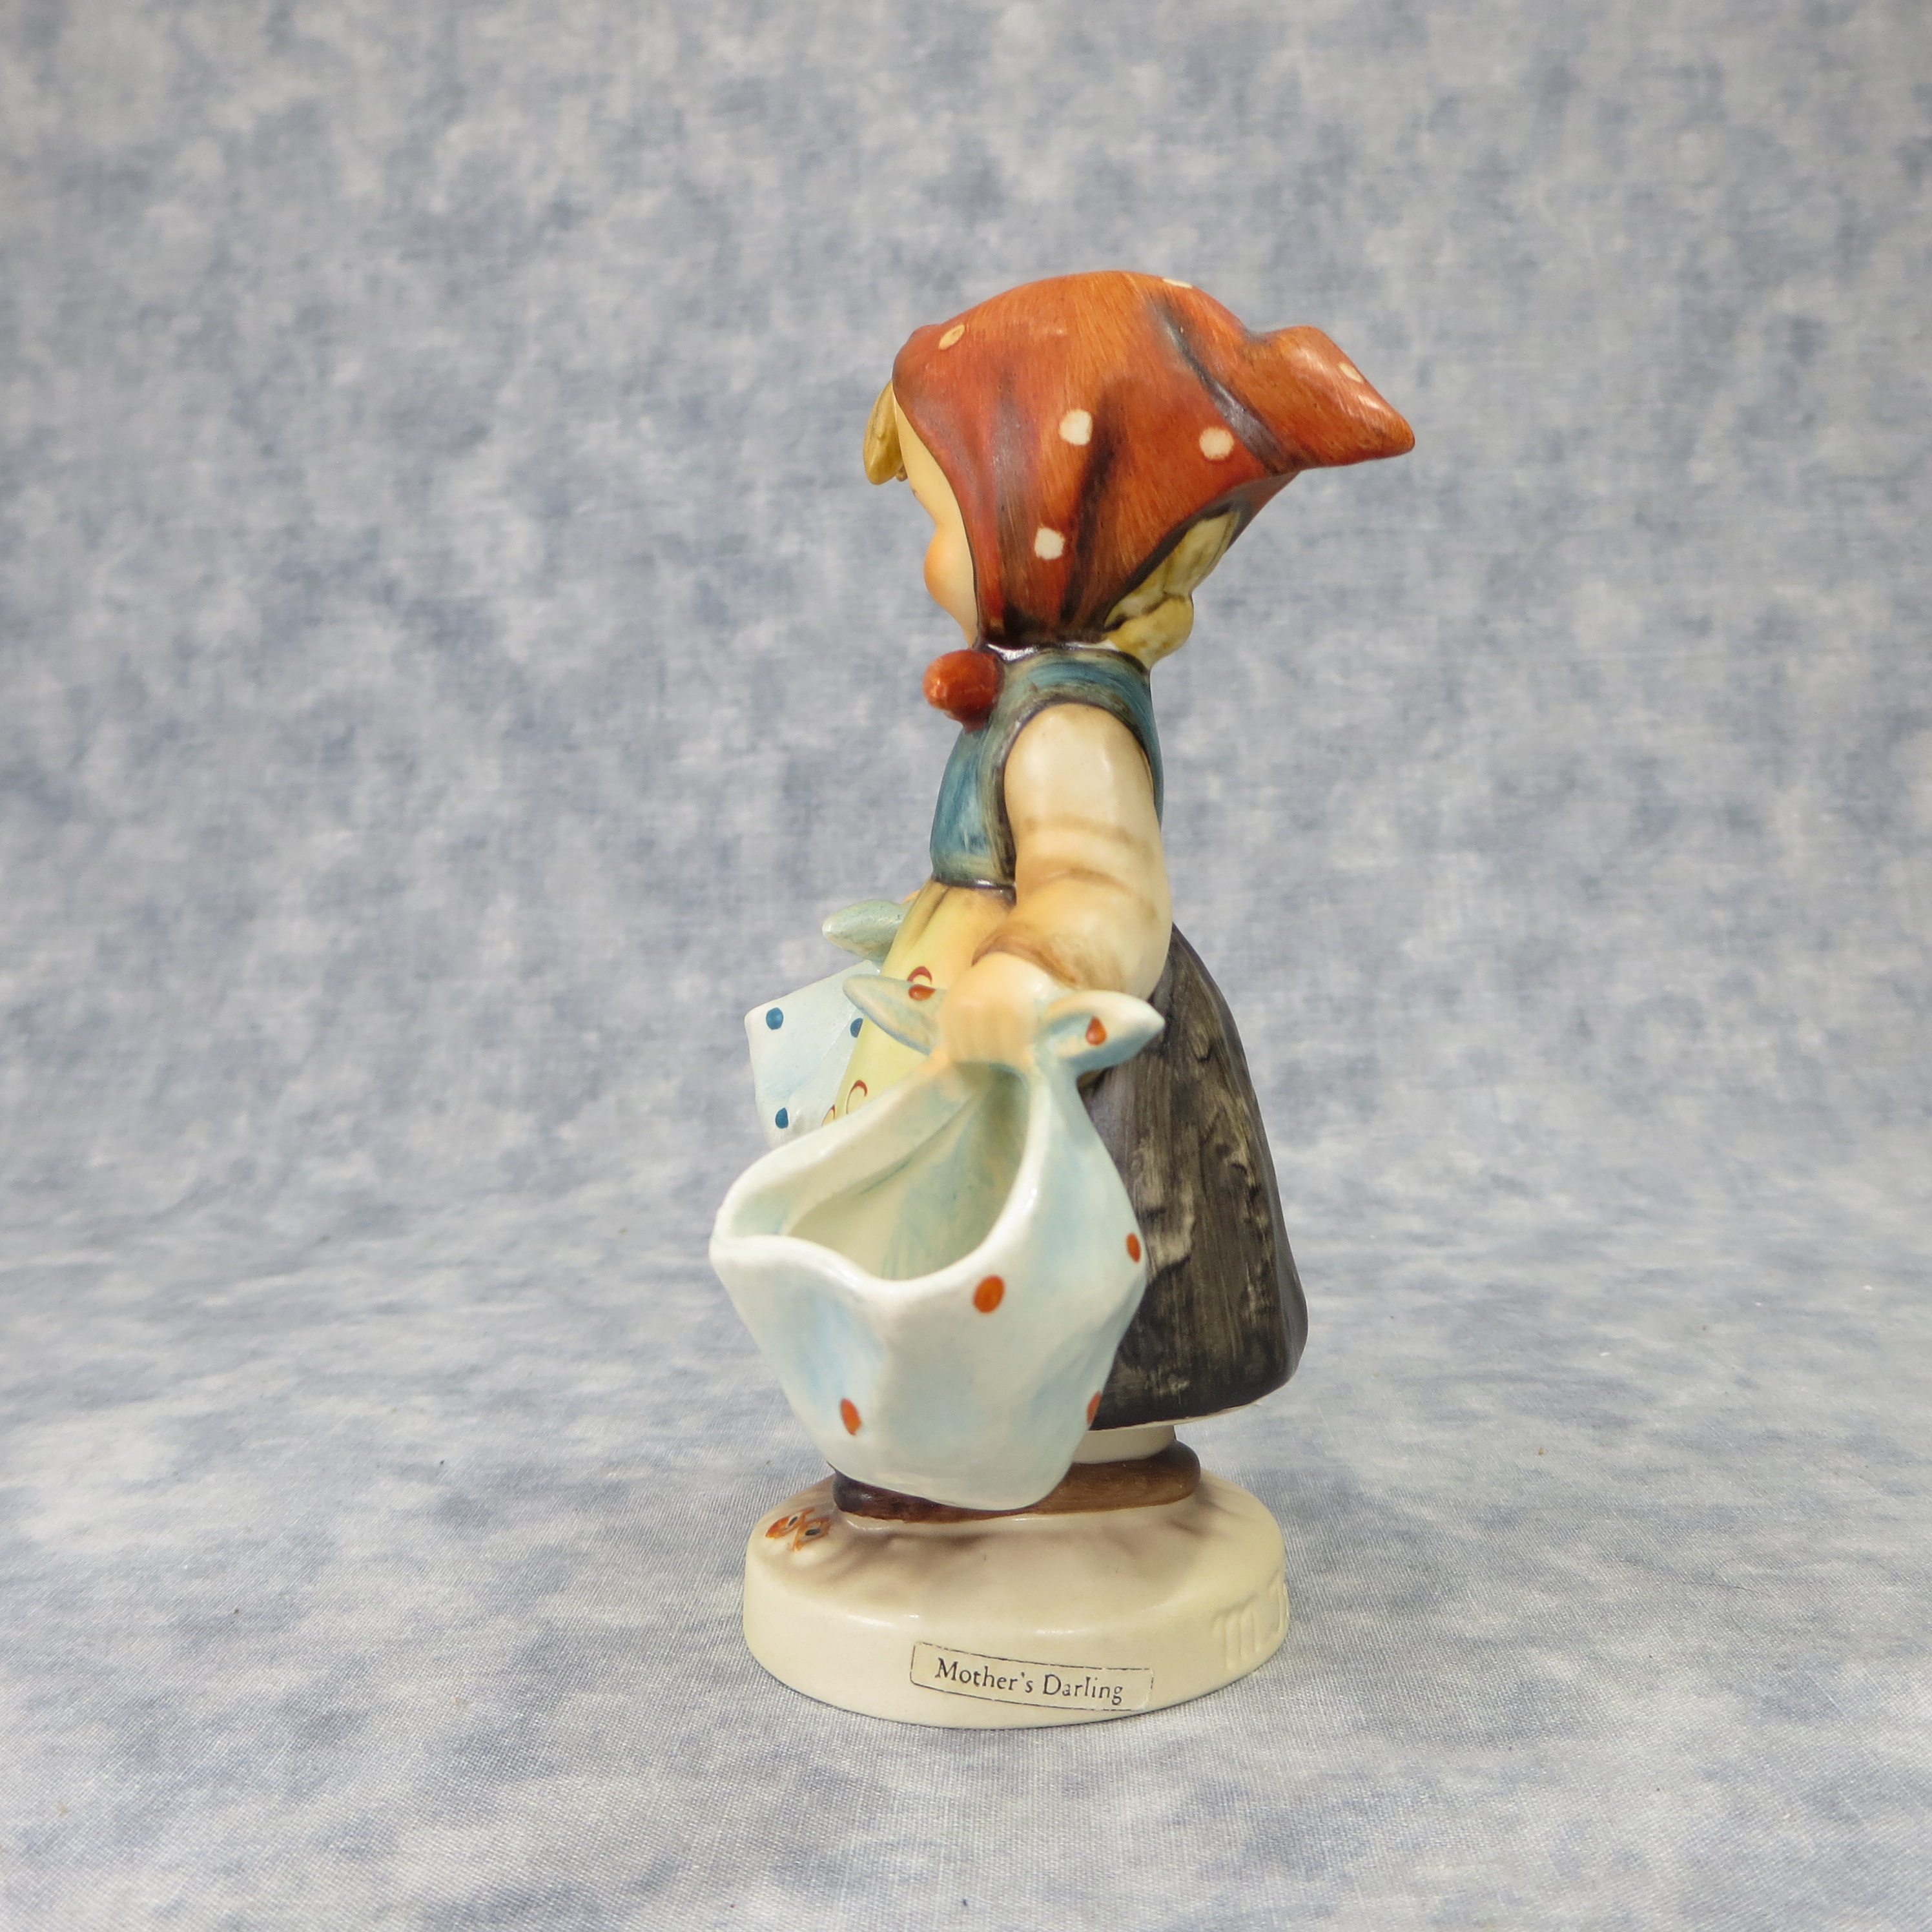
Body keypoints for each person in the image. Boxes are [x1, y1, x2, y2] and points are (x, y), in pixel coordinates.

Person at [837, 271, 1412, 1432]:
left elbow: (1101, 880)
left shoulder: (1069, 728)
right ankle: (972, 1422)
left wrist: (1029, 966)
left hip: (1053, 1060)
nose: (928, 562)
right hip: (970, 1026)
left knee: (1032, 1262)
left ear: (1042, 529)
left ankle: (1044, 1437)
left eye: (943, 525)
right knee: (935, 1244)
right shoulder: (1035, 700)